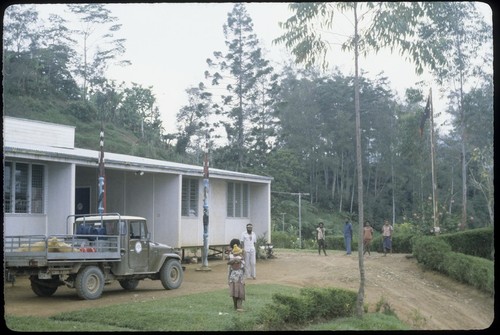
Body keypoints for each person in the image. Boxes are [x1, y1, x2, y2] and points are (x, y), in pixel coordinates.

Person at [227, 244, 245, 311]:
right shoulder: (241, 261)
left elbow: (229, 271)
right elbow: (244, 270)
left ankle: (235, 306)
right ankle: (239, 306)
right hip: (240, 280)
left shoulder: (231, 261)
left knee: (234, 293)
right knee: (240, 293)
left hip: (232, 279)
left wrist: (228, 280)